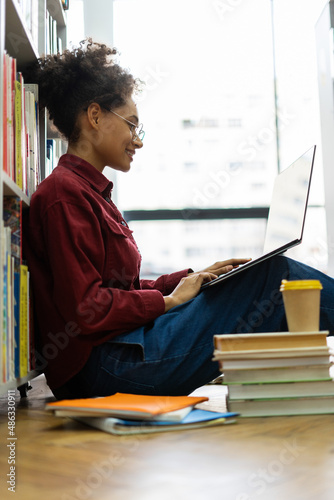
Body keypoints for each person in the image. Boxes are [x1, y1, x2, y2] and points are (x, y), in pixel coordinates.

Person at [23, 39, 334, 400]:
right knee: (272, 276)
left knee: (250, 279)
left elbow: (119, 291)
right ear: (95, 116)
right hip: (105, 368)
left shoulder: (88, 193)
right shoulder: (63, 195)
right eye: (131, 125)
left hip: (118, 352)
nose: (137, 141)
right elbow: (88, 309)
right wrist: (169, 301)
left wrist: (191, 279)